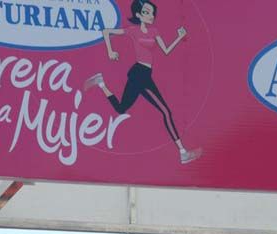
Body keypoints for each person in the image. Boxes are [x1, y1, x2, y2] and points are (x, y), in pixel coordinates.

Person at [85, 0, 201, 164]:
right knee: (166, 111)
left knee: (121, 108)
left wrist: (179, 37)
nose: (151, 15)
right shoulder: (133, 30)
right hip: (139, 74)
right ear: (138, 15)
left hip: (145, 75)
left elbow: (166, 50)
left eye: (152, 12)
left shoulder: (154, 31)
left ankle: (101, 82)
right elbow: (106, 31)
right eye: (146, 12)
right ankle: (183, 153)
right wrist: (110, 51)